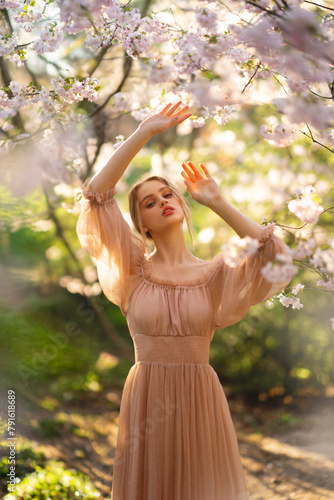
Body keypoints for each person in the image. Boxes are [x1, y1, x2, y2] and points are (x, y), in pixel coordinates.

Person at [76, 102, 292, 500]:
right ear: (142, 224)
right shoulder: (132, 270)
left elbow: (275, 256)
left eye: (167, 193)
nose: (163, 202)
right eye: (150, 202)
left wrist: (216, 201)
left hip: (200, 398)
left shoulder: (216, 274)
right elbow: (95, 197)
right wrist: (142, 133)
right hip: (146, 399)